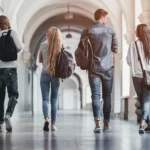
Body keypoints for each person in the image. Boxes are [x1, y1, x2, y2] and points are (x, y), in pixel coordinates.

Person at [80, 9, 118, 133]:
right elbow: (115, 49)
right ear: (102, 17)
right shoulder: (111, 31)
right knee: (107, 96)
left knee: (95, 96)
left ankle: (97, 124)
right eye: (106, 18)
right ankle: (106, 124)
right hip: (108, 68)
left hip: (93, 68)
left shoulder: (87, 31)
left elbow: (82, 48)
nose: (106, 20)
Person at [0, 15, 22, 132]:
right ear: (7, 22)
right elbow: (19, 47)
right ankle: (8, 115)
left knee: (0, 96)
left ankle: (0, 123)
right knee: (13, 94)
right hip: (11, 68)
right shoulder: (11, 32)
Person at [126, 24, 150, 134]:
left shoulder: (132, 45)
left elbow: (129, 61)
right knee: (146, 101)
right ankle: (146, 124)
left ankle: (142, 123)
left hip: (136, 76)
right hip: (149, 75)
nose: (135, 31)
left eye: (136, 30)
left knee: (143, 100)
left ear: (139, 32)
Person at [39, 27, 61, 132]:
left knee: (45, 100)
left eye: (47, 32)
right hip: (55, 75)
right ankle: (53, 125)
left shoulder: (43, 45)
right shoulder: (59, 46)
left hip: (44, 74)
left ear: (49, 35)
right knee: (54, 100)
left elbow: (40, 59)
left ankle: (46, 119)